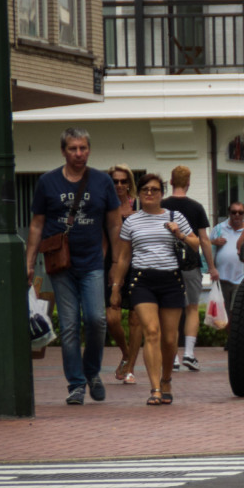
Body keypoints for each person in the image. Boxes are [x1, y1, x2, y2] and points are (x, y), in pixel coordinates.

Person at [25, 127, 122, 405]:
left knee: (96, 319)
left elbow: (115, 223)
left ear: (89, 150)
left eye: (83, 148)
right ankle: (76, 384)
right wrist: (29, 263)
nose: (78, 153)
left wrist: (116, 261)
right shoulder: (48, 182)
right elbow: (37, 225)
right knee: (69, 326)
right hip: (60, 263)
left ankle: (92, 372)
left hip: (92, 261)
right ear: (63, 151)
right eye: (73, 148)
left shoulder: (102, 181)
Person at [110, 172, 197, 405]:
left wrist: (178, 232)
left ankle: (167, 379)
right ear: (138, 193)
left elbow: (196, 243)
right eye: (146, 189)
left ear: (162, 193)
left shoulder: (174, 215)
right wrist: (116, 288)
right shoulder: (132, 221)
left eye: (155, 189)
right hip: (142, 281)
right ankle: (155, 387)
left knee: (169, 339)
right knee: (151, 332)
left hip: (171, 280)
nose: (150, 193)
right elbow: (124, 257)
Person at [161, 165, 217, 372]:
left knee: (170, 310)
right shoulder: (196, 207)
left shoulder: (162, 206)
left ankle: (172, 356)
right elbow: (204, 239)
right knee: (192, 307)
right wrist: (211, 267)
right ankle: (189, 354)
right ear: (189, 183)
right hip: (191, 264)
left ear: (171, 181)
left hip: (166, 264)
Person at [106, 164, 143, 385]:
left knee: (136, 319)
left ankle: (130, 368)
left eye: (123, 181)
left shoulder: (138, 210)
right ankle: (126, 353)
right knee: (112, 318)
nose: (119, 185)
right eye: (114, 181)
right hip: (110, 265)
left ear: (129, 183)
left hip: (136, 266)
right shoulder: (104, 210)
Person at [209, 201, 244, 316]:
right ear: (229, 213)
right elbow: (207, 247)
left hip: (242, 279)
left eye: (240, 212)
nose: (237, 215)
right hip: (222, 278)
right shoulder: (219, 229)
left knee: (237, 312)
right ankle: (228, 334)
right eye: (234, 212)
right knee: (223, 314)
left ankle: (235, 334)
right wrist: (214, 242)